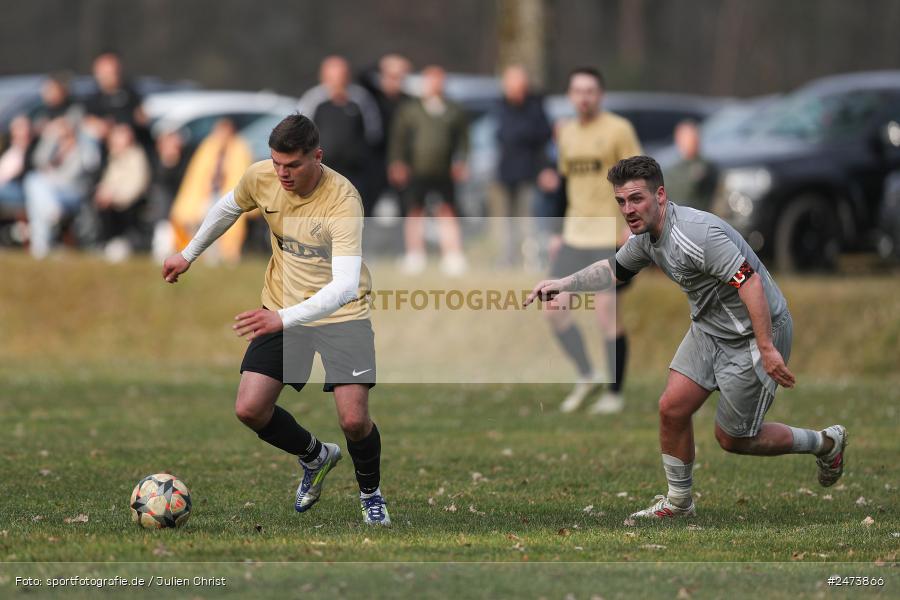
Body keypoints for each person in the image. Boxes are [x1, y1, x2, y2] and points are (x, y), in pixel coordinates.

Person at [526, 155, 847, 519]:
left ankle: (825, 442)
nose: (628, 210)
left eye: (636, 199)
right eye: (621, 201)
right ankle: (679, 503)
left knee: (734, 439)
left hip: (754, 333)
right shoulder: (647, 235)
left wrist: (766, 347)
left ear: (660, 195)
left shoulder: (697, 234)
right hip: (709, 328)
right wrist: (562, 284)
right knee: (672, 408)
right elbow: (614, 270)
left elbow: (751, 282)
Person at [161, 114, 390, 526]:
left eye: (293, 165)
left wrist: (282, 319)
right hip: (282, 306)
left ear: (317, 157)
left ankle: (371, 494)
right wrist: (187, 253)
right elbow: (228, 207)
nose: (282, 174)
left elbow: (343, 287)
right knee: (250, 408)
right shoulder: (261, 176)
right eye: (276, 163)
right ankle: (315, 456)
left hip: (342, 314)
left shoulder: (343, 200)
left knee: (353, 419)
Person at [548, 67, 642, 414]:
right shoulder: (566, 132)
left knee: (606, 311)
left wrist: (631, 225)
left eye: (590, 90)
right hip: (575, 234)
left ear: (599, 94)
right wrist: (556, 233)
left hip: (609, 234)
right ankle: (587, 374)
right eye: (578, 90)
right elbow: (562, 188)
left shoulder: (618, 130)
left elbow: (637, 178)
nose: (584, 97)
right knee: (554, 308)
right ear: (571, 96)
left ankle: (614, 394)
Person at [388, 65, 469, 276]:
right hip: (417, 170)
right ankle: (415, 254)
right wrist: (397, 162)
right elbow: (399, 139)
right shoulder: (410, 109)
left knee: (447, 210)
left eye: (439, 80)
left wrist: (462, 162)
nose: (435, 84)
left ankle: (452, 255)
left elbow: (463, 141)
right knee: (415, 210)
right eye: (431, 80)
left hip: (444, 170)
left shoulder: (454, 110)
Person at [298, 56, 382, 216]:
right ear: (323, 77)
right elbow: (299, 132)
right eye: (333, 76)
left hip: (355, 173)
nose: (337, 81)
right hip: (321, 172)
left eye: (341, 75)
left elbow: (373, 133)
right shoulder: (313, 99)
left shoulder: (361, 99)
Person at [169, 118, 252, 264]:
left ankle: (219, 254)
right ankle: (201, 252)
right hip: (206, 196)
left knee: (216, 220)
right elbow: (198, 176)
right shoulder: (209, 146)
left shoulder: (240, 148)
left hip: (226, 196)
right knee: (193, 216)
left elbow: (238, 178)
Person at [494, 65, 553, 268]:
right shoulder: (501, 105)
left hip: (531, 170)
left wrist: (546, 169)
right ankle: (507, 257)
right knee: (506, 220)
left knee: (529, 219)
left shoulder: (536, 106)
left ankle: (532, 258)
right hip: (506, 170)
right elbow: (501, 136)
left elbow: (544, 138)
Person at [23, 114, 101, 258]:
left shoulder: (83, 147)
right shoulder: (55, 144)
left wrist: (84, 138)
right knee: (34, 184)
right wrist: (50, 138)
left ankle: (40, 246)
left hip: (73, 192)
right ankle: (50, 214)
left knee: (36, 191)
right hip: (51, 193)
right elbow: (38, 161)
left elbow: (90, 164)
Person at [93, 123, 151, 261]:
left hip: (129, 206)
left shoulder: (136, 157)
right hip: (111, 203)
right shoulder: (112, 157)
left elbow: (136, 187)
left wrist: (113, 197)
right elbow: (108, 181)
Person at [664, 120, 718, 211]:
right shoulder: (671, 168)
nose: (691, 141)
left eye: (693, 137)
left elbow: (691, 191)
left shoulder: (706, 166)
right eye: (685, 138)